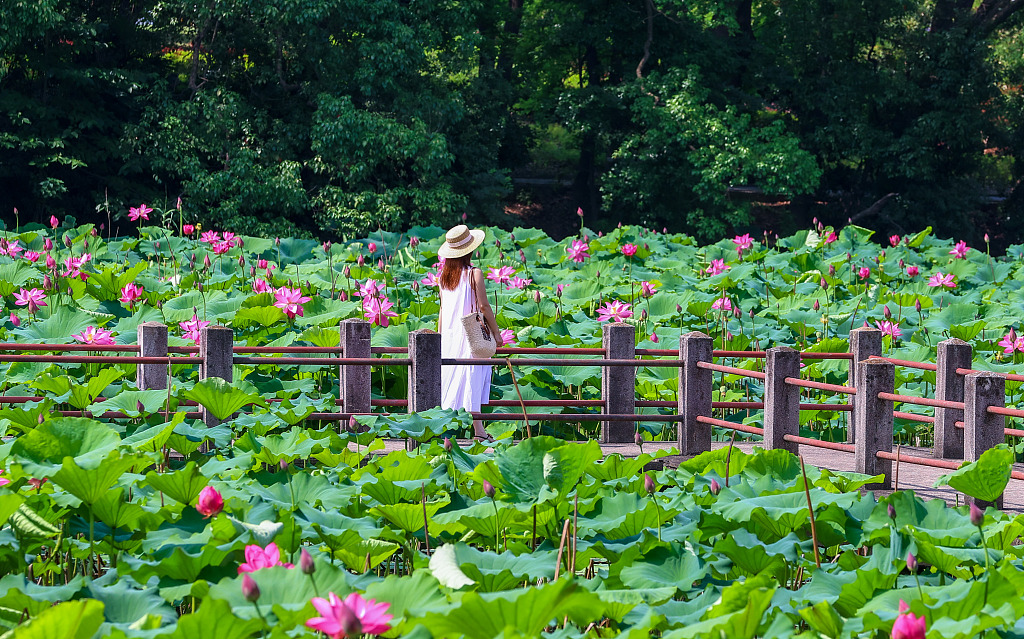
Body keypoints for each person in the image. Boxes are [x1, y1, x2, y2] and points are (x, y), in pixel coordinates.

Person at [436, 224, 503, 440]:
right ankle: (479, 431)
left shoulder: (442, 279)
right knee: (472, 379)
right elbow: (484, 306)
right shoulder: (475, 274)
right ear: (469, 251)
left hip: (448, 335)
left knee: (449, 380)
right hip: (470, 335)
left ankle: (445, 429)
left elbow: (442, 310)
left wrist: (439, 336)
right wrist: (497, 333)